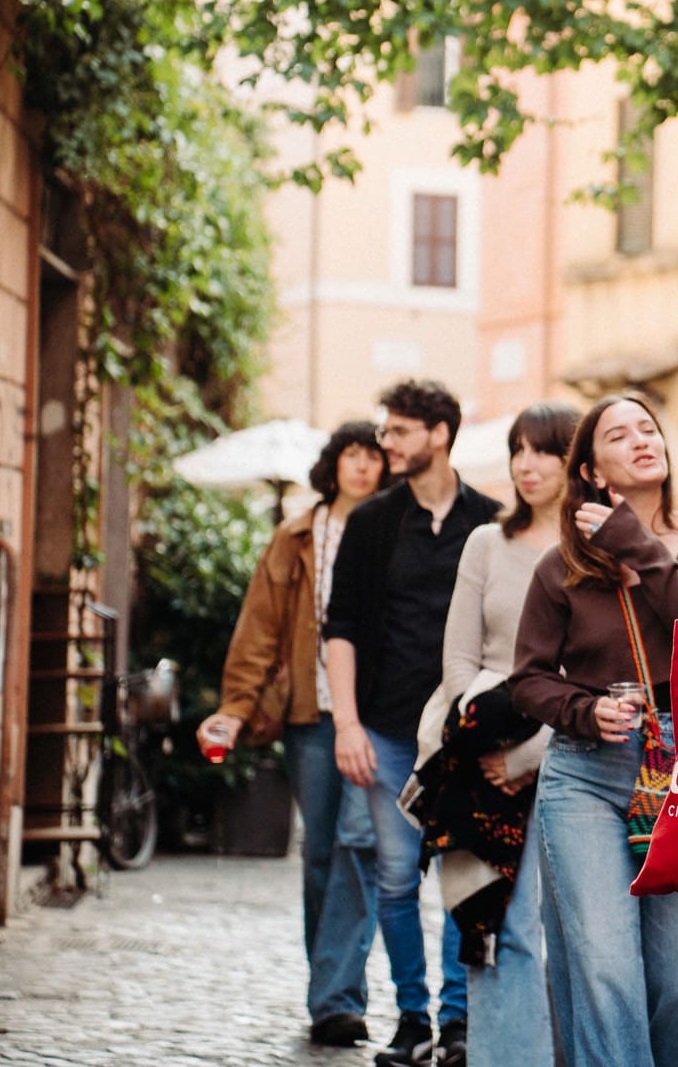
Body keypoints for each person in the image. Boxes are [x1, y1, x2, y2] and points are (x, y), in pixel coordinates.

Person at [509, 394, 678, 1067]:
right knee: (607, 972)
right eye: (618, 434)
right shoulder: (563, 568)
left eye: (649, 427)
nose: (642, 439)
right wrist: (585, 710)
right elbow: (527, 680)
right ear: (595, 472)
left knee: (677, 987)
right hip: (586, 773)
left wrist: (637, 543)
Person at [325, 380, 503, 1067]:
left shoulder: (490, 522)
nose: (385, 443)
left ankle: (459, 1022)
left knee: (462, 875)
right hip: (388, 729)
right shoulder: (371, 522)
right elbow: (339, 627)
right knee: (398, 879)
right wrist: (347, 724)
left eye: (398, 431)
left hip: (464, 733)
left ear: (438, 433)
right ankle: (412, 1018)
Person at [200, 423, 389, 1047]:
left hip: (378, 716)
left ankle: (337, 998)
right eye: (352, 455)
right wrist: (237, 705)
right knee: (319, 856)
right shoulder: (298, 535)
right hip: (310, 716)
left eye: (373, 457)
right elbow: (259, 626)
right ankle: (331, 987)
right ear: (333, 465)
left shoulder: (397, 530)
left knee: (358, 849)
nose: (362, 468)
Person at [437, 402, 579, 1067]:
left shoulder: (595, 550)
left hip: (574, 758)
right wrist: (483, 743)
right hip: (481, 753)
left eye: (544, 450)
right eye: (519, 449)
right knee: (495, 927)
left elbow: (597, 676)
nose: (526, 464)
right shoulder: (485, 544)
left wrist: (527, 756)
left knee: (575, 936)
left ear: (574, 461)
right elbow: (459, 660)